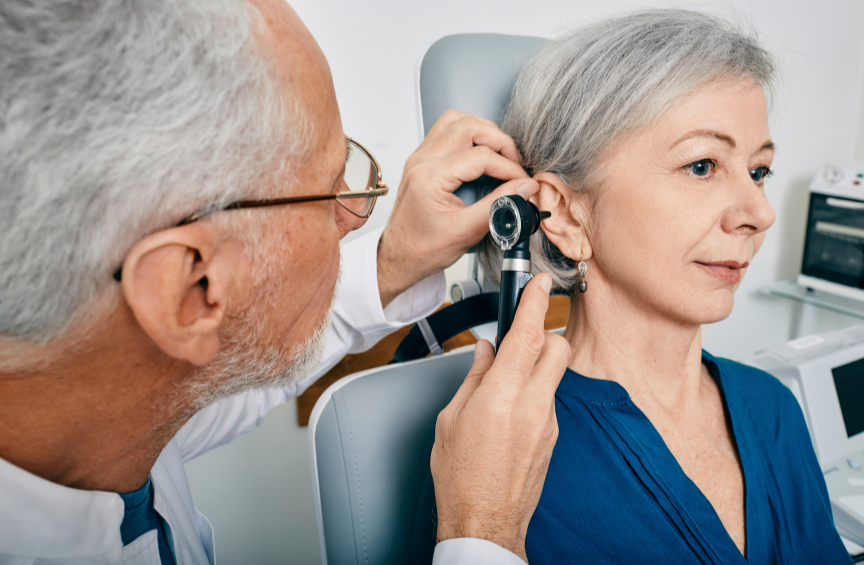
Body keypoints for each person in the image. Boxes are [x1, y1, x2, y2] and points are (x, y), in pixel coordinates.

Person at [0, 1, 570, 564]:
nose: (353, 213)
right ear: (191, 289)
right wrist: (481, 532)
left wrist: (393, 262)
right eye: (329, 190)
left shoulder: (110, 419)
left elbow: (232, 356)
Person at [412, 9, 851, 564]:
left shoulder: (773, 408)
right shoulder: (498, 461)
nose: (759, 213)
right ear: (567, 215)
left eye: (758, 170)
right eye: (701, 165)